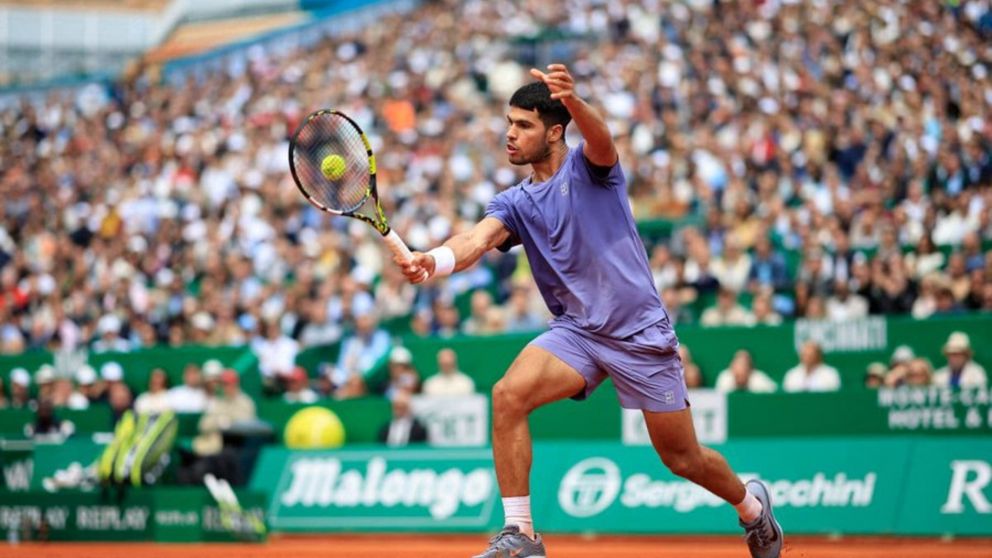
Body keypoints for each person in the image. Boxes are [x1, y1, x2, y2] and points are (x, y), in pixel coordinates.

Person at [397, 68, 782, 558]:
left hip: (639, 333)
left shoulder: (591, 169)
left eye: (523, 125)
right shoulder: (514, 202)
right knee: (508, 396)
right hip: (577, 332)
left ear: (555, 131)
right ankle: (521, 534)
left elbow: (601, 137)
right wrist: (434, 260)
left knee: (682, 458)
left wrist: (574, 100)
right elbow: (475, 239)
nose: (510, 134)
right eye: (508, 123)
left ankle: (751, 508)